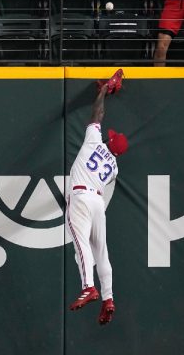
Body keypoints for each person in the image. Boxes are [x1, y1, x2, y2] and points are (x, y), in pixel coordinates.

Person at [67, 72, 127, 326]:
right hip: (97, 203)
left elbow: (97, 116)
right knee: (101, 253)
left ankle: (89, 287)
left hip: (81, 197)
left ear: (108, 141)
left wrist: (103, 92)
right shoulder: (114, 168)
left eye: (109, 137)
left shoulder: (94, 142)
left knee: (80, 245)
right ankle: (108, 299)